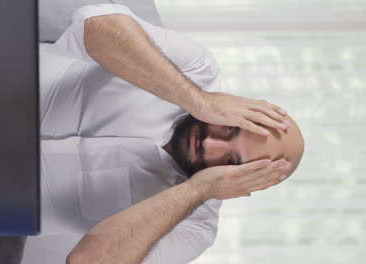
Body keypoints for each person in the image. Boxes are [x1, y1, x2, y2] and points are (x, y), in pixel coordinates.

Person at [26, 4, 305, 264]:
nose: (211, 143)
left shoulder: (195, 228)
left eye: (232, 161)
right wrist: (200, 101)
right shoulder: (197, 68)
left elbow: (86, 262)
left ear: (245, 182)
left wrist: (198, 189)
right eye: (231, 129)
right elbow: (95, 24)